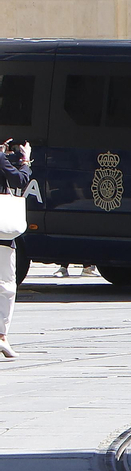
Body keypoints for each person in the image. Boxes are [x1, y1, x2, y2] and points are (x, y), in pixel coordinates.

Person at [0, 138, 31, 358]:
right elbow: (20, 180)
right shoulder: (0, 158)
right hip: (1, 235)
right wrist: (25, 160)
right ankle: (1, 336)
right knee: (7, 286)